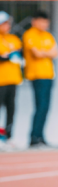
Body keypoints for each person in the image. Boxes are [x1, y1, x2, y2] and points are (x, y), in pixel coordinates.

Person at [22, 11, 58, 148]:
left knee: (45, 107)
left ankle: (41, 136)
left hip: (49, 75)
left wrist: (44, 52)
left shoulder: (48, 35)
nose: (44, 24)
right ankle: (34, 136)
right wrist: (47, 52)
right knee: (40, 106)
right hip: (37, 75)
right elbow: (36, 53)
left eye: (46, 21)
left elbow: (56, 53)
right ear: (34, 21)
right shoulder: (29, 34)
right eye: (42, 21)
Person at [0, 12, 23, 150]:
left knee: (11, 109)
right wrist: (7, 56)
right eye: (4, 23)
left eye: (7, 23)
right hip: (1, 80)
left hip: (13, 79)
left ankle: (9, 136)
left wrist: (7, 56)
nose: (7, 26)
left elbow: (19, 53)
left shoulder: (13, 38)